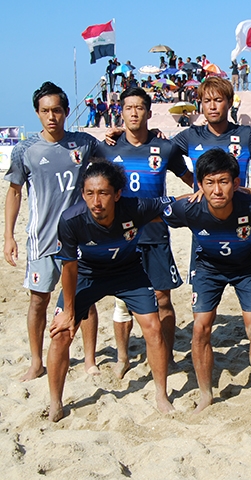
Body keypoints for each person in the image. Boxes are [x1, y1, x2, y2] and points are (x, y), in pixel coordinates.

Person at [48, 160, 175, 421]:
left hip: (128, 272)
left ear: (117, 194)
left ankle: (161, 395)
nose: (96, 201)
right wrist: (69, 311)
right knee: (60, 333)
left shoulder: (135, 207)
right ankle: (55, 403)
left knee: (153, 327)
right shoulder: (71, 219)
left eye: (103, 193)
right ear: (82, 194)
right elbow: (69, 268)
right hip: (87, 274)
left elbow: (175, 203)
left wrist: (203, 194)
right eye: (90, 193)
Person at [163, 149, 251, 415]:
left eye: (224, 182)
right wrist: (187, 196)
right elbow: (158, 209)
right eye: (210, 183)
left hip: (246, 266)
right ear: (200, 185)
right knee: (200, 328)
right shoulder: (190, 208)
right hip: (208, 268)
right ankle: (206, 395)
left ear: (236, 183)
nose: (217, 190)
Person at [96, 87, 193, 378]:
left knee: (162, 298)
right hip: (121, 237)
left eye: (139, 107)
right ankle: (123, 358)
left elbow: (189, 178)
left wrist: (205, 196)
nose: (134, 113)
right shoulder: (107, 148)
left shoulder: (165, 148)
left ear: (149, 113)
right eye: (128, 108)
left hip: (155, 233)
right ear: (121, 112)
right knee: (122, 301)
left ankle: (167, 356)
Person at [4, 81, 98, 382]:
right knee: (38, 300)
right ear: (37, 113)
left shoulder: (84, 143)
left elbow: (111, 160)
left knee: (85, 299)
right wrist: (8, 236)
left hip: (79, 238)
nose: (51, 116)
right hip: (42, 239)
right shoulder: (25, 150)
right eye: (45, 111)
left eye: (56, 110)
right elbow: (14, 192)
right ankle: (36, 362)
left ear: (66, 111)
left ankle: (90, 360)